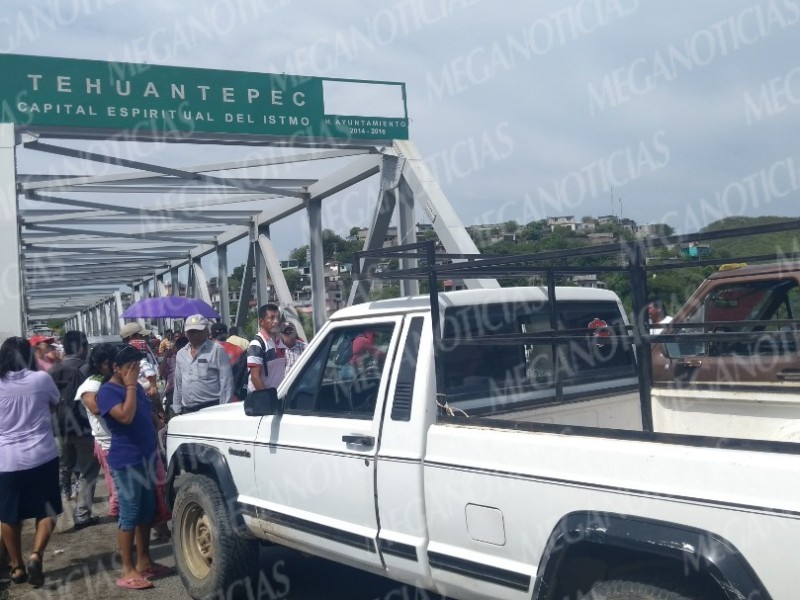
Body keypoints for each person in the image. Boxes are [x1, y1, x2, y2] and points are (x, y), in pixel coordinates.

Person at [97, 345, 172, 590]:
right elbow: (125, 417)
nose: (135, 371)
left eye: (137, 367)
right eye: (130, 367)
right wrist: (130, 385)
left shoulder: (137, 388)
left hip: (147, 457)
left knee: (146, 511)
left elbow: (146, 413)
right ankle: (127, 568)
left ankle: (144, 561)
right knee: (129, 512)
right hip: (126, 460)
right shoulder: (108, 391)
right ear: (116, 368)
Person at [0, 337, 62, 587]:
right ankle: (36, 554)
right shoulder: (41, 379)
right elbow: (57, 402)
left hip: (6, 460)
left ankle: (16, 566)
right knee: (46, 511)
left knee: (8, 516)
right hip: (42, 455)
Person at [48, 330, 100, 529]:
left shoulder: (52, 371)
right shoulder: (87, 369)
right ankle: (82, 514)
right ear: (81, 348)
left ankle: (61, 515)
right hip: (82, 428)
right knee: (89, 469)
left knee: (63, 468)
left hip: (57, 428)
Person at [75, 343, 118, 519]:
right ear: (100, 364)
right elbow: (96, 409)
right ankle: (125, 529)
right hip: (107, 443)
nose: (115, 365)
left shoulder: (111, 380)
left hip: (120, 440)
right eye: (111, 362)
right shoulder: (91, 384)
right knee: (118, 491)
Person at [172, 314, 234, 415]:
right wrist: (177, 408)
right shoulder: (181, 354)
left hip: (211, 409)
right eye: (191, 331)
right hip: (187, 410)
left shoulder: (216, 350)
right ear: (186, 333)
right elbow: (178, 384)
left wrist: (224, 411)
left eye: (198, 331)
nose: (195, 334)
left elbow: (226, 383)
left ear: (206, 331)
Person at [247, 303, 286, 392]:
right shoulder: (256, 344)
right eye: (271, 318)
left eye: (278, 317)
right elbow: (255, 378)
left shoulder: (281, 342)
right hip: (262, 400)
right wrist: (268, 399)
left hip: (278, 397)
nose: (276, 321)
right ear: (261, 322)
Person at [120, 322, 159, 409]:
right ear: (131, 337)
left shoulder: (147, 355)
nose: (144, 339)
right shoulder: (121, 359)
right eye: (140, 336)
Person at [159, 335, 188, 420]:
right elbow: (160, 372)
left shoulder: (191, 357)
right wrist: (166, 356)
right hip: (172, 391)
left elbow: (160, 372)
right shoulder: (171, 358)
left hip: (183, 390)